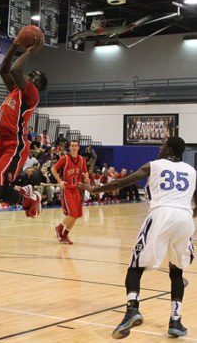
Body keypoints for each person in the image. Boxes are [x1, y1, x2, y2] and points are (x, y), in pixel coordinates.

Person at [81, 137, 196, 339]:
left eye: (162, 146)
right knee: (176, 270)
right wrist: (186, 216)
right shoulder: (192, 171)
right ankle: (175, 321)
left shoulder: (154, 165)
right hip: (185, 218)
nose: (160, 149)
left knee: (135, 266)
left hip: (161, 214)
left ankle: (132, 308)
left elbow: (122, 182)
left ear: (169, 149)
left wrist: (95, 189)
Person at [0, 32, 46, 218]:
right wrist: (14, 45)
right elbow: (4, 71)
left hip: (14, 144)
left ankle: (28, 199)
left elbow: (16, 71)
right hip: (1, 142)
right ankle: (26, 197)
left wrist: (30, 52)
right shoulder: (16, 90)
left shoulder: (31, 94)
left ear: (37, 85)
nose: (30, 76)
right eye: (31, 74)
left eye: (34, 77)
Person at [51, 140, 89, 244]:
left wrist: (87, 178)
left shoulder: (82, 160)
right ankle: (58, 228)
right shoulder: (65, 159)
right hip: (66, 189)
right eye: (72, 145)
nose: (74, 147)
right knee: (72, 213)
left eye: (76, 145)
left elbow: (85, 172)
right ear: (69, 148)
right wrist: (59, 181)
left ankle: (64, 236)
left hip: (76, 189)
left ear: (78, 147)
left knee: (76, 215)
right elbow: (53, 169)